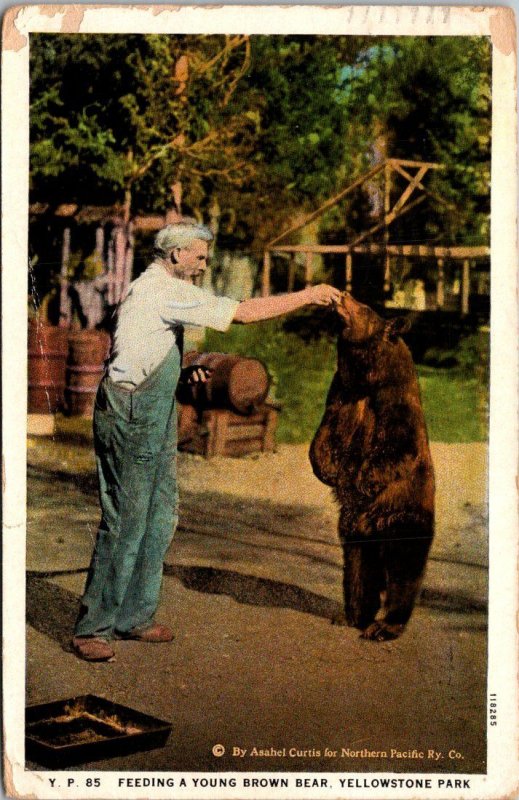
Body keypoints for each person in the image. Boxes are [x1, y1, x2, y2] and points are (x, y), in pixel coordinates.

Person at [72, 218, 341, 661]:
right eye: (199, 256)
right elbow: (244, 312)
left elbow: (137, 348)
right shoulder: (161, 289)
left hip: (156, 409)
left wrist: (178, 376)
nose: (203, 264)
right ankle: (93, 628)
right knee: (125, 520)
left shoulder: (161, 289)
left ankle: (133, 616)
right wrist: (309, 295)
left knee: (160, 516)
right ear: (176, 254)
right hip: (132, 413)